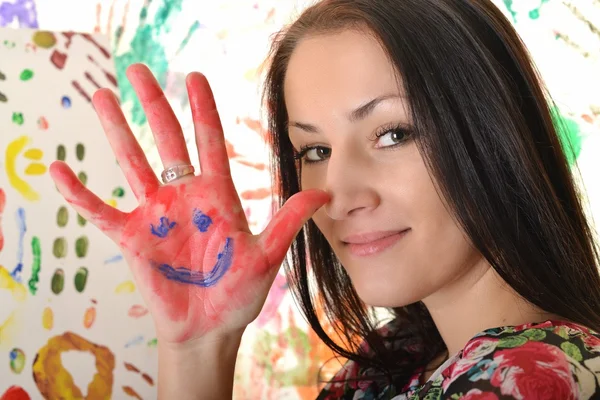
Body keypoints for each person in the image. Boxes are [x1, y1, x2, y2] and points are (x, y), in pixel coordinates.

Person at [49, 0, 600, 398]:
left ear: (494, 129)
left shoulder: (531, 376)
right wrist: (198, 348)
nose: (337, 196)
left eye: (393, 134)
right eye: (314, 149)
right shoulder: (399, 357)